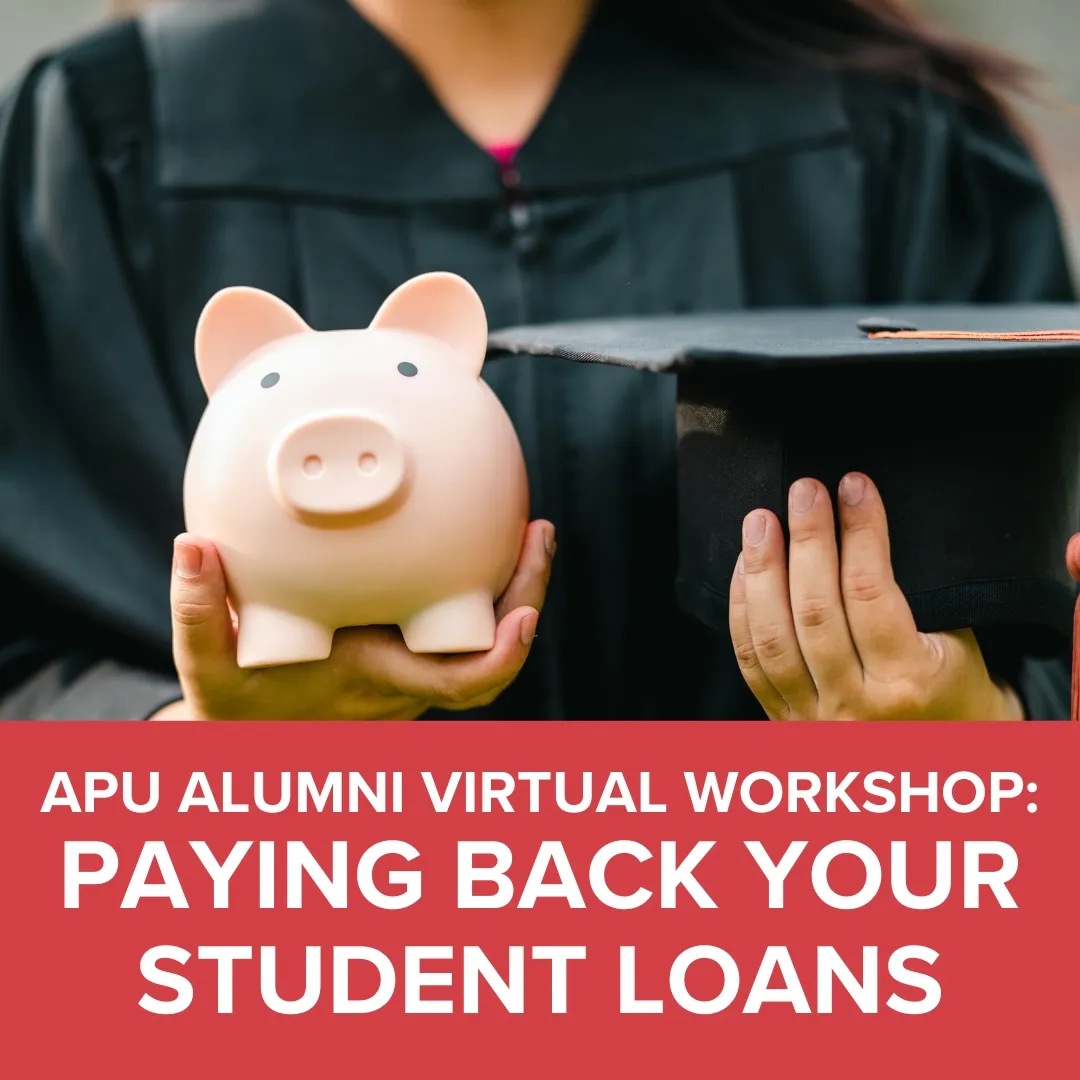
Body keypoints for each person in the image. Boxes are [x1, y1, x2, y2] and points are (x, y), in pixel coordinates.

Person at [0, 0, 1075, 722]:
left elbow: (1049, 628)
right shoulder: (101, 145)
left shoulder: (892, 134)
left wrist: (977, 739)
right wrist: (205, 745)